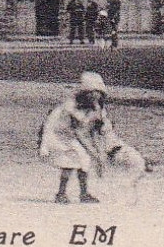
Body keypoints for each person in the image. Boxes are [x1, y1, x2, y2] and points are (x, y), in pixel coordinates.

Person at [40, 71, 114, 204]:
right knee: (69, 162)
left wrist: (98, 150)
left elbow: (96, 130)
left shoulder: (97, 108)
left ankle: (83, 193)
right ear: (85, 93)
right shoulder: (71, 106)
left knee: (84, 160)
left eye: (98, 94)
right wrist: (94, 153)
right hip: (59, 135)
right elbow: (79, 131)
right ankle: (61, 194)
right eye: (92, 94)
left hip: (72, 136)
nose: (95, 98)